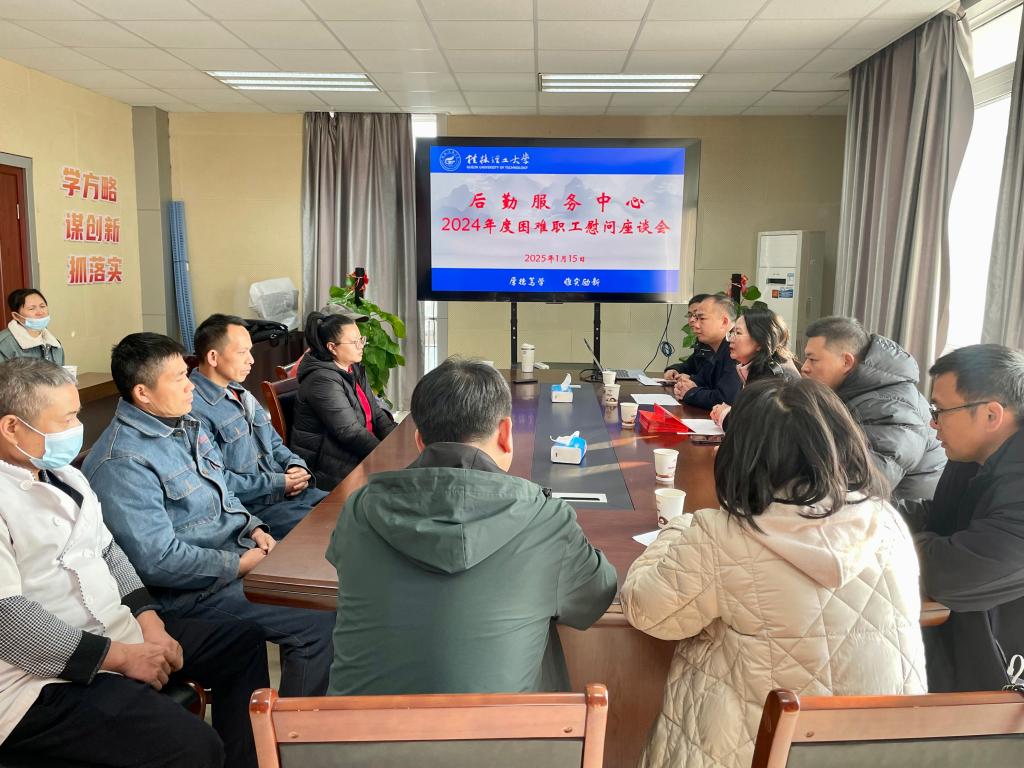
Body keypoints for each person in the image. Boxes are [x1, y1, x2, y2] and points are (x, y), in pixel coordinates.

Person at [621, 377, 927, 768]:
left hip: (756, 753)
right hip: (881, 751)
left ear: (741, 453)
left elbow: (648, 610)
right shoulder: (887, 521)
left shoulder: (723, 535)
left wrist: (680, 529)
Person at [0, 359, 268, 768]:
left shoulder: (64, 477)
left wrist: (149, 621)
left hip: (114, 630)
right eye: (67, 419)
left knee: (242, 642)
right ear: (12, 427)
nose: (78, 427)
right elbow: (9, 619)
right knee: (194, 747)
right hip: (40, 679)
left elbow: (109, 552)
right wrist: (123, 658)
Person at [326, 357, 618, 696]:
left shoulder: (360, 509)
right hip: (501, 731)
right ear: (506, 433)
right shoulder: (546, 518)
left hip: (357, 729)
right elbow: (595, 597)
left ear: (420, 440)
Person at [83, 333, 335, 697]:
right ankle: (291, 728)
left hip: (236, 556)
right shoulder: (123, 462)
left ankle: (306, 714)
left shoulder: (184, 425)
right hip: (191, 593)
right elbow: (158, 561)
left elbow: (224, 494)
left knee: (327, 584)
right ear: (143, 393)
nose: (190, 386)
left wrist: (255, 528)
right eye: (178, 379)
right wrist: (240, 565)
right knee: (318, 621)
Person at [900, 344, 1024, 692]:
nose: (932, 422)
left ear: (991, 415)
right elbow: (938, 520)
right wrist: (870, 512)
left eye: (940, 410)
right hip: (958, 650)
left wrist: (891, 539)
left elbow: (950, 574)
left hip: (1001, 686)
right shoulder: (971, 460)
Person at [189, 314, 328, 539]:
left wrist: (295, 466)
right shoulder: (194, 409)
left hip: (286, 494)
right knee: (333, 528)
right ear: (213, 357)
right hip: (255, 508)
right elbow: (216, 481)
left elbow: (274, 442)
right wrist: (278, 483)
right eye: (242, 352)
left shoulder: (240, 392)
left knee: (350, 509)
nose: (251, 360)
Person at [801, 316, 945, 500]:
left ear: (846, 362)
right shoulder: (857, 394)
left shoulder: (890, 408)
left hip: (901, 512)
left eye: (812, 359)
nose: (804, 368)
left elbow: (864, 484)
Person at [291, 313, 396, 491]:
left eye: (361, 339)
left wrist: (395, 443)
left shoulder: (352, 368)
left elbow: (376, 415)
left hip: (353, 455)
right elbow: (350, 432)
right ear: (332, 347)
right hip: (331, 469)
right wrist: (385, 456)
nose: (361, 346)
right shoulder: (321, 380)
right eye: (354, 342)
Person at [709, 307, 802, 428]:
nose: (730, 339)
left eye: (738, 333)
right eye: (731, 333)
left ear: (760, 341)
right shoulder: (760, 366)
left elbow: (754, 427)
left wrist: (725, 414)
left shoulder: (773, 376)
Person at [671, 294, 742, 409]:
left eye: (702, 319)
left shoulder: (736, 349)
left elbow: (726, 400)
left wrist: (691, 393)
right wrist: (685, 385)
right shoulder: (715, 347)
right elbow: (701, 380)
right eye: (695, 318)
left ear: (724, 322)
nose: (695, 325)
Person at [0, 288, 64, 365]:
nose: (40, 312)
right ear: (16, 316)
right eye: (32, 308)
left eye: (42, 306)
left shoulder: (54, 343)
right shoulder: (3, 345)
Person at [663, 293, 713, 381]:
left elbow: (715, 382)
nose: (692, 320)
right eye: (690, 315)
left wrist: (693, 379)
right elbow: (689, 365)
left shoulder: (728, 346)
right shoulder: (702, 342)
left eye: (699, 315)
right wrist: (674, 370)